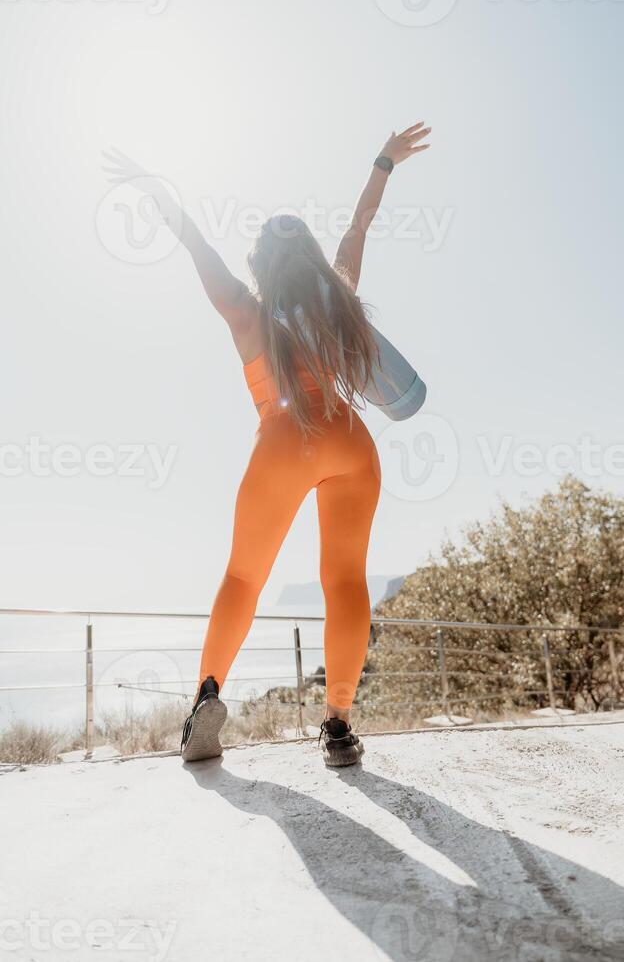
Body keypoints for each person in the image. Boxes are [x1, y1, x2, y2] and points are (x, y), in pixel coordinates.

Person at [103, 122, 431, 766]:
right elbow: (357, 230)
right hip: (350, 442)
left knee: (243, 576)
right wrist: (383, 163)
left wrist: (153, 189)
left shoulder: (242, 309)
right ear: (308, 258)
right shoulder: (337, 300)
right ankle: (338, 725)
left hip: (283, 442)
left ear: (260, 263)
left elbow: (194, 242)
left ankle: (206, 700)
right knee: (345, 580)